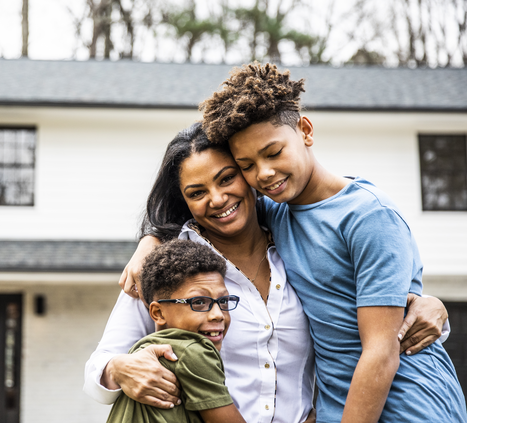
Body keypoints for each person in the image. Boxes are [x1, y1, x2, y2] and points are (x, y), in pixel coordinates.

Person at [85, 122, 449, 423]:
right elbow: (98, 366)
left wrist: (429, 302)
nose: (217, 198)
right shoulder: (168, 268)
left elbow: (358, 309)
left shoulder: (295, 240)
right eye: (197, 192)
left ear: (247, 174)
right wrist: (120, 369)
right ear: (186, 203)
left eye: (227, 178)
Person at [195, 62, 466, 422]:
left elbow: (380, 352)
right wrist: (149, 240)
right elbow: (198, 203)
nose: (264, 173)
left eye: (273, 153)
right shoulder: (276, 211)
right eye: (247, 165)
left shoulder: (368, 215)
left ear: (305, 131)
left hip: (411, 406)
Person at [106, 239, 245, 423]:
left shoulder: (143, 351)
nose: (218, 314)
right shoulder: (193, 351)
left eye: (223, 302)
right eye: (198, 302)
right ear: (158, 313)